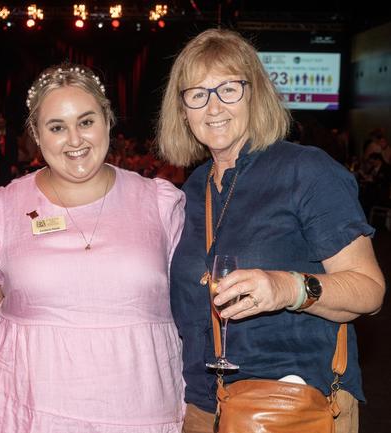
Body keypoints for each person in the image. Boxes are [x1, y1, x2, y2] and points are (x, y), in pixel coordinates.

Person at [157, 28, 385, 433]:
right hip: (201, 408)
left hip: (289, 405)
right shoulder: (191, 189)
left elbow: (370, 290)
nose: (213, 106)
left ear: (255, 93)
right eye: (198, 94)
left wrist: (287, 288)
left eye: (229, 88)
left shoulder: (307, 171)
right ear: (182, 109)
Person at [0, 63, 187, 432]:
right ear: (37, 136)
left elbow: (195, 308)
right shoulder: (3, 208)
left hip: (142, 412)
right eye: (57, 127)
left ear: (107, 121)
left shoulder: (159, 202)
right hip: (34, 414)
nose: (75, 140)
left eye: (86, 122)